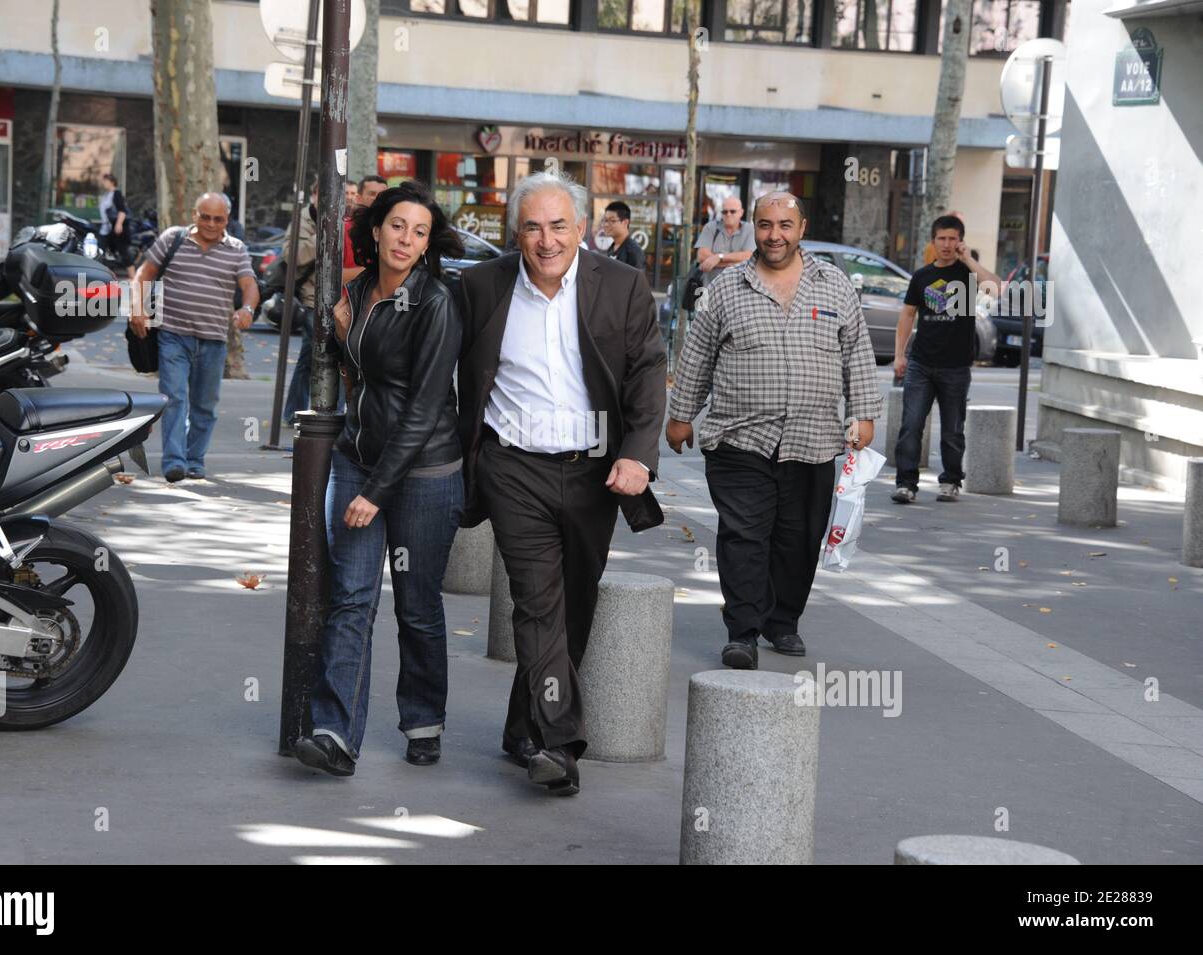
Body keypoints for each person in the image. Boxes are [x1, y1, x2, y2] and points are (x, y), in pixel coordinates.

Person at [456, 171, 667, 797]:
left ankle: (523, 724)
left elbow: (647, 374)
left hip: (594, 472)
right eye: (532, 227)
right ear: (515, 232)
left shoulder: (623, 286)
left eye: (557, 226)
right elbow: (442, 361)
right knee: (538, 602)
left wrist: (638, 455)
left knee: (573, 607)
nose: (546, 240)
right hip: (513, 468)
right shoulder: (481, 287)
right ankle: (557, 743)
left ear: (581, 228)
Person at [291, 181, 467, 777]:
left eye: (419, 232)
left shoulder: (436, 303)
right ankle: (335, 733)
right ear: (375, 229)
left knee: (417, 606)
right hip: (359, 456)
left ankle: (423, 720)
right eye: (397, 226)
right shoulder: (357, 292)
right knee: (351, 598)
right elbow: (362, 380)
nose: (406, 239)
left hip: (422, 471)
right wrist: (343, 335)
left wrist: (374, 492)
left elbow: (422, 409)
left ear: (426, 244)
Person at [666, 192, 881, 667]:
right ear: (754, 229)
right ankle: (742, 630)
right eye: (765, 225)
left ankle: (782, 622)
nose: (774, 235)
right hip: (740, 437)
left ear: (801, 228)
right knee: (745, 535)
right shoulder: (725, 288)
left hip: (813, 438)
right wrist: (680, 415)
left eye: (785, 225)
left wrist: (864, 412)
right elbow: (698, 355)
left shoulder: (835, 286)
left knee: (797, 539)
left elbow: (858, 354)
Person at [128, 192, 257, 483]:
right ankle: (174, 461)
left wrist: (247, 308)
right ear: (194, 214)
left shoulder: (236, 249)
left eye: (218, 219)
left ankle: (195, 460)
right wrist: (136, 308)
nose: (211, 224)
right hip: (173, 335)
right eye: (205, 216)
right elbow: (143, 275)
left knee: (204, 406)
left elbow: (249, 285)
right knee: (174, 398)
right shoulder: (174, 238)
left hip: (213, 340)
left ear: (227, 220)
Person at [892, 215, 1002, 504]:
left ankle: (951, 481)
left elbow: (996, 288)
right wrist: (899, 355)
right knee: (911, 424)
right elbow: (907, 315)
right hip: (921, 363)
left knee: (953, 429)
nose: (947, 244)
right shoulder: (922, 276)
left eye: (953, 239)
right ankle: (905, 484)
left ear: (960, 242)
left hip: (956, 367)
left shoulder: (968, 275)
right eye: (942, 238)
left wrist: (969, 260)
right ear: (933, 241)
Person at [281, 179, 320, 426]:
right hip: (311, 299)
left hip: (337, 299)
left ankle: (296, 411)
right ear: (315, 195)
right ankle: (294, 412)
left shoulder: (344, 219)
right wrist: (323, 236)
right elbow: (291, 255)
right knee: (310, 358)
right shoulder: (303, 220)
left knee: (313, 359)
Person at [695, 195, 755, 286]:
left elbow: (749, 256)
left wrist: (718, 258)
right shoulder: (710, 227)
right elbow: (701, 256)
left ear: (741, 212)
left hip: (740, 289)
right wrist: (736, 263)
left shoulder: (750, 229)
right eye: (725, 212)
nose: (728, 214)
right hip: (711, 288)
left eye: (732, 211)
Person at [343, 175, 388, 286]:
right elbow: (333, 275)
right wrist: (380, 270)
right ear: (358, 198)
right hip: (349, 300)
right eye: (372, 194)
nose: (378, 198)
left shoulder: (391, 230)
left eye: (383, 195)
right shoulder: (344, 228)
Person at [98, 173, 132, 278]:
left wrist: (119, 224)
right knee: (104, 252)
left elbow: (122, 211)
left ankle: (134, 277)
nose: (104, 183)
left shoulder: (116, 193)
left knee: (123, 251)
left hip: (115, 228)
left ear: (112, 182)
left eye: (106, 181)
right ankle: (106, 277)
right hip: (106, 229)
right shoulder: (106, 195)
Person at [600, 200, 646, 271]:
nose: (606, 224)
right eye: (605, 220)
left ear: (625, 223)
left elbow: (637, 281)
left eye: (612, 221)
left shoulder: (634, 252)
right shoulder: (611, 248)